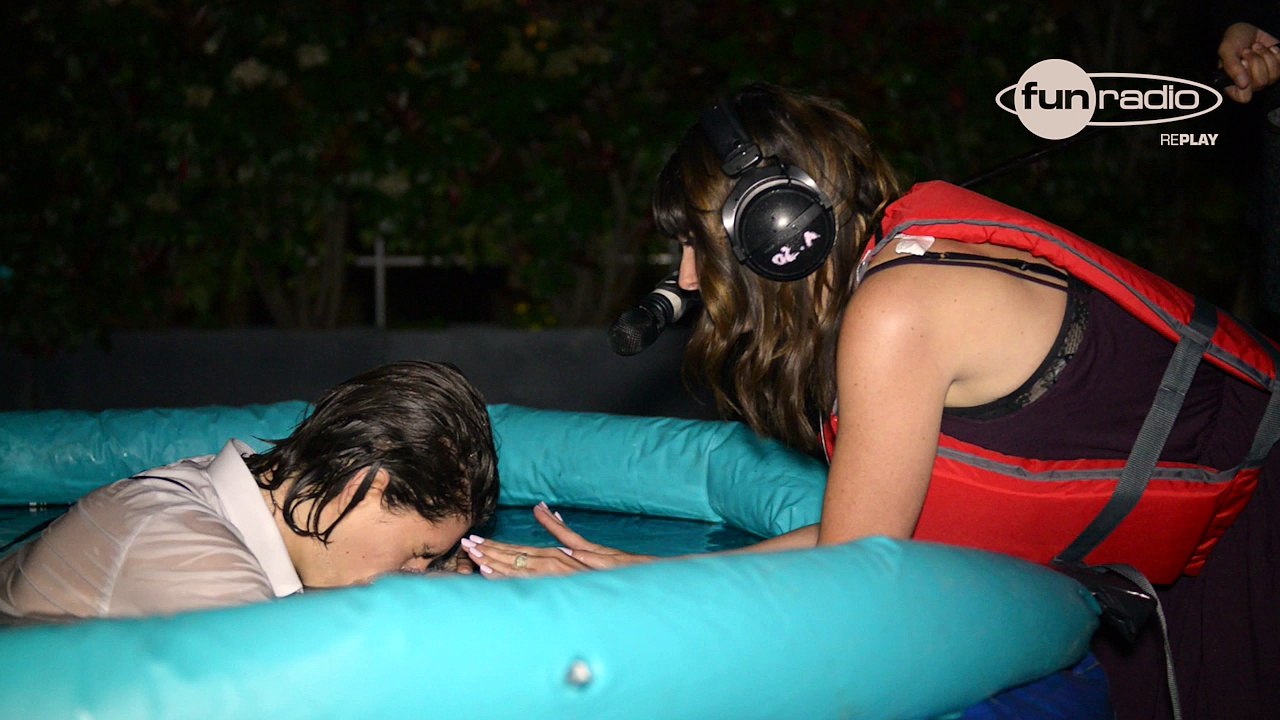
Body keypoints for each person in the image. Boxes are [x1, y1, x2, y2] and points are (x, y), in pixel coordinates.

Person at [460, 83, 1280, 720]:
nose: (685, 278)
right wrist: (643, 567)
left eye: (697, 245)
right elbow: (858, 532)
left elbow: (850, 571)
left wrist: (641, 591)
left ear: (778, 227)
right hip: (1192, 557)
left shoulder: (896, 314)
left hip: (1254, 537)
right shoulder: (896, 276)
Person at [0, 360, 499, 622]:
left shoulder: (211, 493)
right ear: (362, 485)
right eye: (420, 552)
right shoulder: (190, 553)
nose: (416, 574)